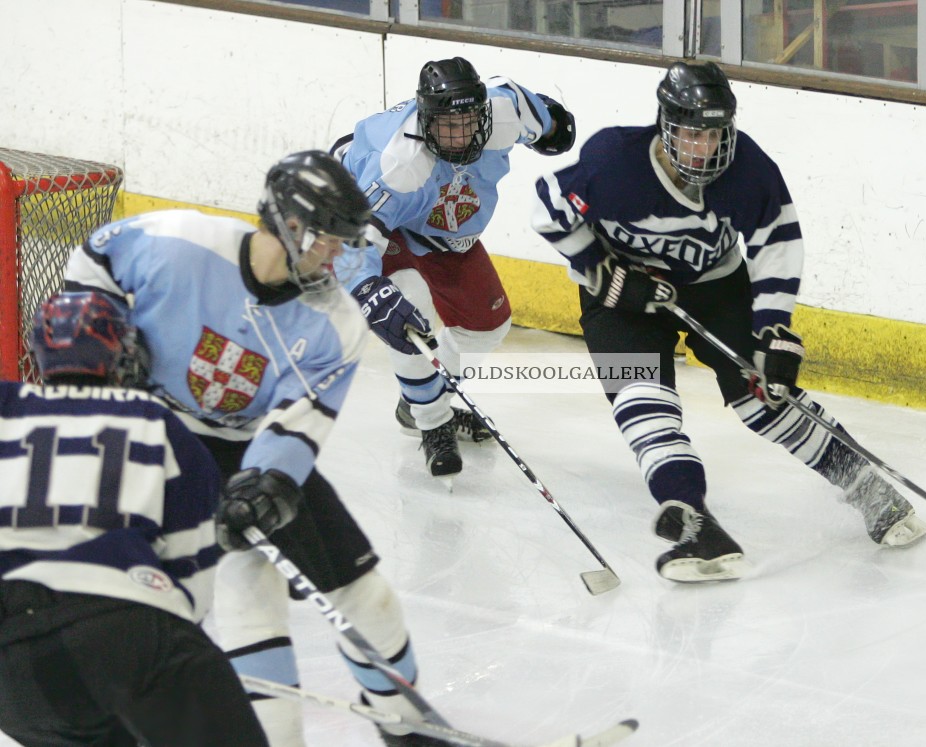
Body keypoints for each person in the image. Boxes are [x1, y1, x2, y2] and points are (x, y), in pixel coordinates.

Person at [62, 151, 441, 746]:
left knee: (364, 593)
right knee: (247, 593)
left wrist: (267, 483)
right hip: (156, 442)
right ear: (290, 225)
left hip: (249, 447)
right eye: (327, 241)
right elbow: (93, 260)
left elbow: (301, 419)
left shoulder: (335, 320)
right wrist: (104, 327)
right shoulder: (178, 242)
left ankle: (411, 730)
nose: (336, 257)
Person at [531, 61, 926, 583]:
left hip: (717, 288)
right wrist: (601, 272)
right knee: (644, 407)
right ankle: (698, 529)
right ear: (667, 126)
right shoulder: (614, 161)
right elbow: (548, 209)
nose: (706, 146)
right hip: (622, 301)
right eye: (693, 133)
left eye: (716, 132)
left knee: (764, 393)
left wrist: (773, 329)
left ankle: (868, 487)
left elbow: (777, 245)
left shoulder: (749, 169)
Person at [0, 291, 269, 746]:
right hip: (126, 636)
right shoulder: (155, 422)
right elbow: (191, 588)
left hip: (12, 675)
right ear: (121, 354)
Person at [331, 56, 576, 480]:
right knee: (410, 312)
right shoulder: (401, 164)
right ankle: (433, 421)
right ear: (425, 120)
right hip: (366, 210)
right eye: (447, 124)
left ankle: (420, 398)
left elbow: (546, 120)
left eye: (468, 120)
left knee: (488, 327)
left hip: (443, 233)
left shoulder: (504, 111)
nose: (461, 134)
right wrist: (369, 290)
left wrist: (555, 126)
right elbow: (354, 235)